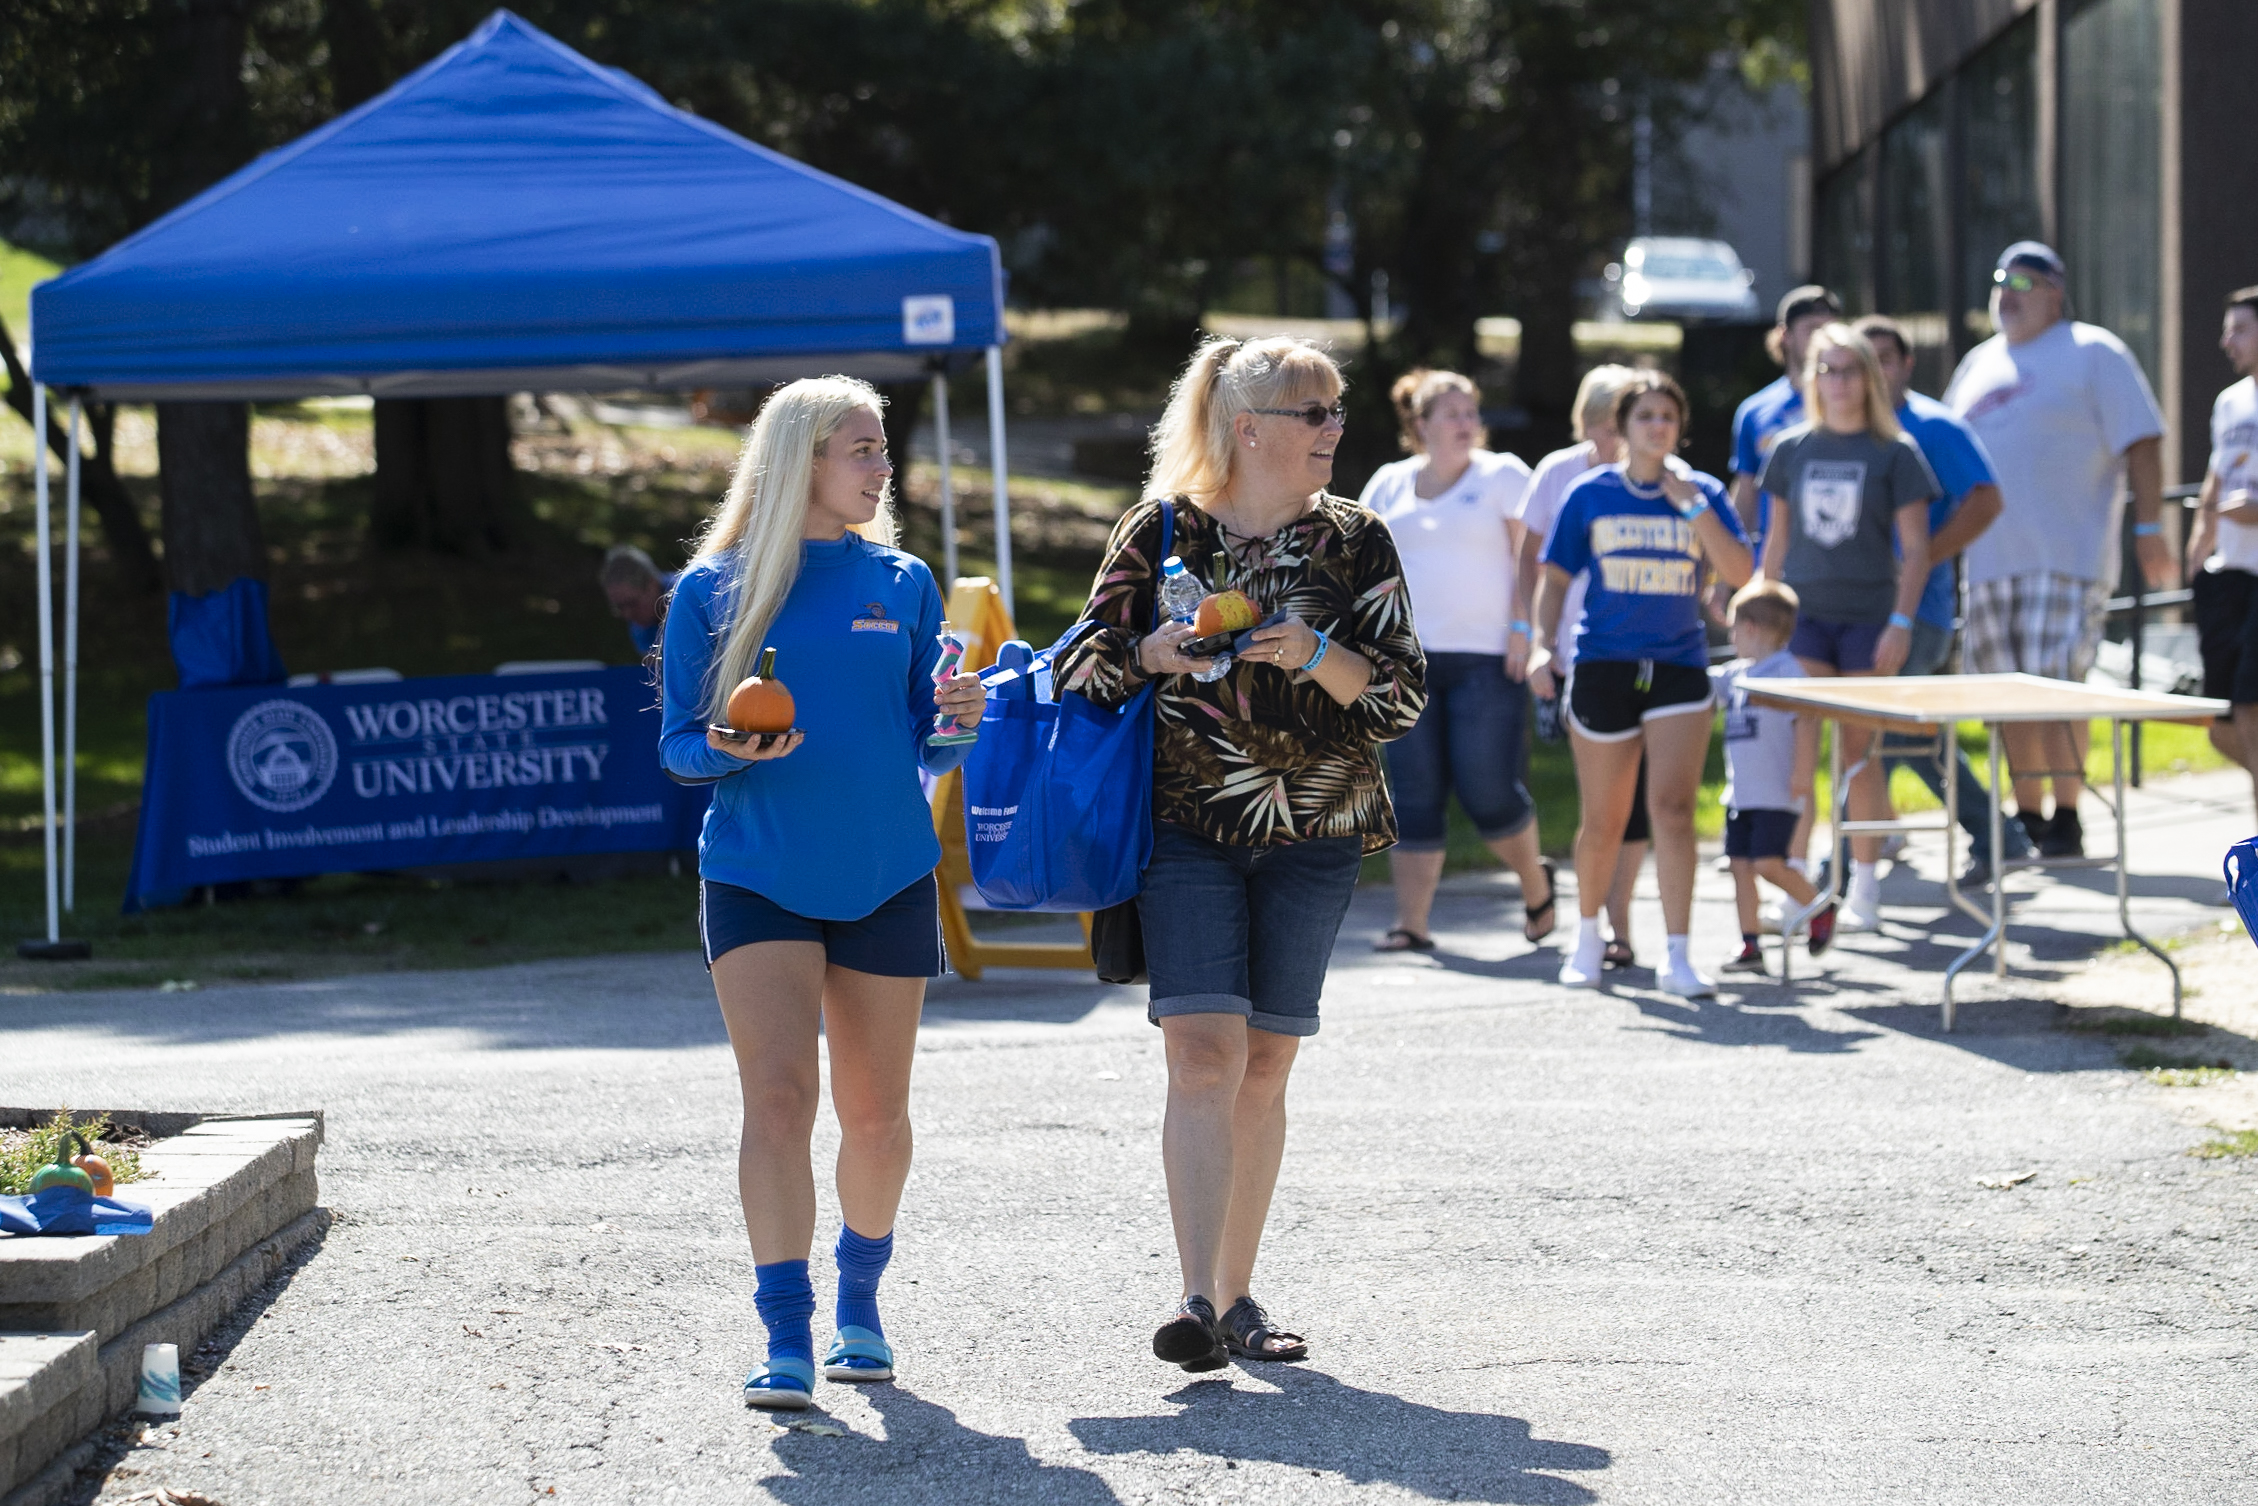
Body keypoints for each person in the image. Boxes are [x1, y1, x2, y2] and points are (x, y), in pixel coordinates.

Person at [1054, 335, 1426, 1371]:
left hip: (1317, 832)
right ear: (1247, 428)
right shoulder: (1162, 529)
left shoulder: (1357, 540)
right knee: (1202, 1055)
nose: (1333, 430)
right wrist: (1146, 653)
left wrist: (1313, 651)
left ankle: (1238, 1292)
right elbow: (1079, 664)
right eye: (1314, 414)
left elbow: (1398, 697)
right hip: (1185, 829)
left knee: (1264, 1063)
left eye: (1337, 411)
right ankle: (1193, 1303)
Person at [657, 377, 988, 1410]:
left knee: (877, 1117)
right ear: (801, 458)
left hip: (887, 874)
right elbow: (676, 745)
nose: (881, 467)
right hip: (756, 876)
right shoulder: (710, 592)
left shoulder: (904, 580)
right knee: (778, 1099)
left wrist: (960, 718)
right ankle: (785, 1334)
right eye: (861, 449)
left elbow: (924, 737)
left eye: (881, 449)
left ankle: (860, 1306)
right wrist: (723, 746)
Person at [1945, 241, 2173, 859]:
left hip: (2065, 558)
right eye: (1999, 279)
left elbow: (2143, 441)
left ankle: (2067, 814)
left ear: (2055, 293)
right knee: (2007, 697)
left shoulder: (2094, 351)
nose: (2006, 291)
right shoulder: (1976, 365)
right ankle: (2028, 815)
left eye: (2023, 280)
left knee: (2056, 686)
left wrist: (2150, 528)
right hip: (1988, 563)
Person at [1530, 371, 1753, 997]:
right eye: (1645, 416)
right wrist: (1542, 646)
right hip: (1603, 664)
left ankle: (1678, 955)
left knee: (1675, 813)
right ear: (1621, 428)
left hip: (1680, 665)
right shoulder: (1589, 493)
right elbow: (1553, 577)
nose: (1658, 427)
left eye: (1667, 417)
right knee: (1603, 819)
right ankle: (1588, 937)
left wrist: (1693, 507)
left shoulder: (1701, 490)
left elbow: (1740, 570)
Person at [1360, 368, 1554, 951]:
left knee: (1488, 790)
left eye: (1472, 412)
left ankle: (1536, 884)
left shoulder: (1503, 475)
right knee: (1414, 795)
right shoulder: (1389, 483)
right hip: (1406, 663)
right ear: (1420, 425)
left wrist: (1526, 629)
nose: (1468, 424)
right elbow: (1362, 565)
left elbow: (1533, 559)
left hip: (1488, 659)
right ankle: (1411, 924)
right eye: (1453, 414)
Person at [1756, 323, 1938, 930]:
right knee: (1798, 754)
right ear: (1812, 379)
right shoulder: (1790, 448)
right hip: (1804, 621)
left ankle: (1864, 888)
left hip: (1868, 620)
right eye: (1827, 370)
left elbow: (1917, 550)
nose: (1839, 382)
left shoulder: (1896, 453)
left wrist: (1901, 622)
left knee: (1858, 756)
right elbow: (1776, 541)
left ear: (1871, 377)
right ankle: (1798, 886)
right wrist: (1762, 608)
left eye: (1850, 369)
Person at [1853, 314, 2034, 885]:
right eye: (1866, 359)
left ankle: (1840, 865)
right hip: (1859, 613)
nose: (1876, 372)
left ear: (1907, 364)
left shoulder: (1933, 426)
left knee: (1876, 731)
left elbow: (1985, 500)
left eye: (1886, 358)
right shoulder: (1849, 428)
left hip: (1919, 613)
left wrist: (1924, 555)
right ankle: (1997, 835)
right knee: (1898, 734)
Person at [1518, 364, 1648, 969]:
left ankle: (1619, 925)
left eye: (1616, 424)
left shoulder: (1654, 481)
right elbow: (1530, 563)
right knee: (1600, 803)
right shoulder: (1558, 473)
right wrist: (1534, 639)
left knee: (1639, 800)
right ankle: (1593, 922)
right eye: (1598, 424)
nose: (1608, 439)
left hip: (1642, 652)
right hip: (1574, 654)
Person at [1711, 579, 1832, 975]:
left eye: (1733, 629)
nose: (1731, 638)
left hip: (1775, 793)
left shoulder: (1787, 672)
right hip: (1740, 794)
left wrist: (1803, 772)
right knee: (1740, 867)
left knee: (1768, 864)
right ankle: (1750, 943)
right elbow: (1702, 683)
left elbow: (1807, 720)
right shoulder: (1736, 674)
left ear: (1750, 628)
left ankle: (1820, 906)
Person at [2186, 286, 2258, 820]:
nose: (2226, 341)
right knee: (2221, 724)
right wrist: (2198, 539)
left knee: (2252, 707)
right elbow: (2217, 474)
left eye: (2240, 329)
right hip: (2228, 573)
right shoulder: (2229, 401)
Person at [1730, 286, 1844, 543]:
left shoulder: (1850, 403)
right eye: (1813, 329)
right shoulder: (1755, 411)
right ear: (1785, 335)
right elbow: (1746, 492)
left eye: (1830, 329)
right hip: (1772, 559)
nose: (1823, 339)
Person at [602, 544, 674, 656]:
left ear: (652, 585)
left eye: (632, 603)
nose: (627, 614)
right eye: (619, 607)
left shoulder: (687, 596)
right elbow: (653, 667)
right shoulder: (641, 625)